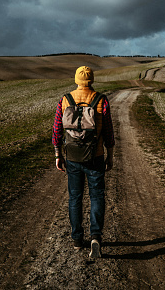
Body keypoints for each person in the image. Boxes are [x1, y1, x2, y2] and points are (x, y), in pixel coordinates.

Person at [52, 66, 115, 258]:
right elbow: (108, 132)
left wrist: (58, 155)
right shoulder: (101, 100)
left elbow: (57, 131)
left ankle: (77, 240)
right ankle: (95, 236)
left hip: (72, 157)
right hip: (95, 157)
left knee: (75, 197)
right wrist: (109, 155)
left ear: (76, 80)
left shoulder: (65, 100)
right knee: (97, 196)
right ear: (92, 80)